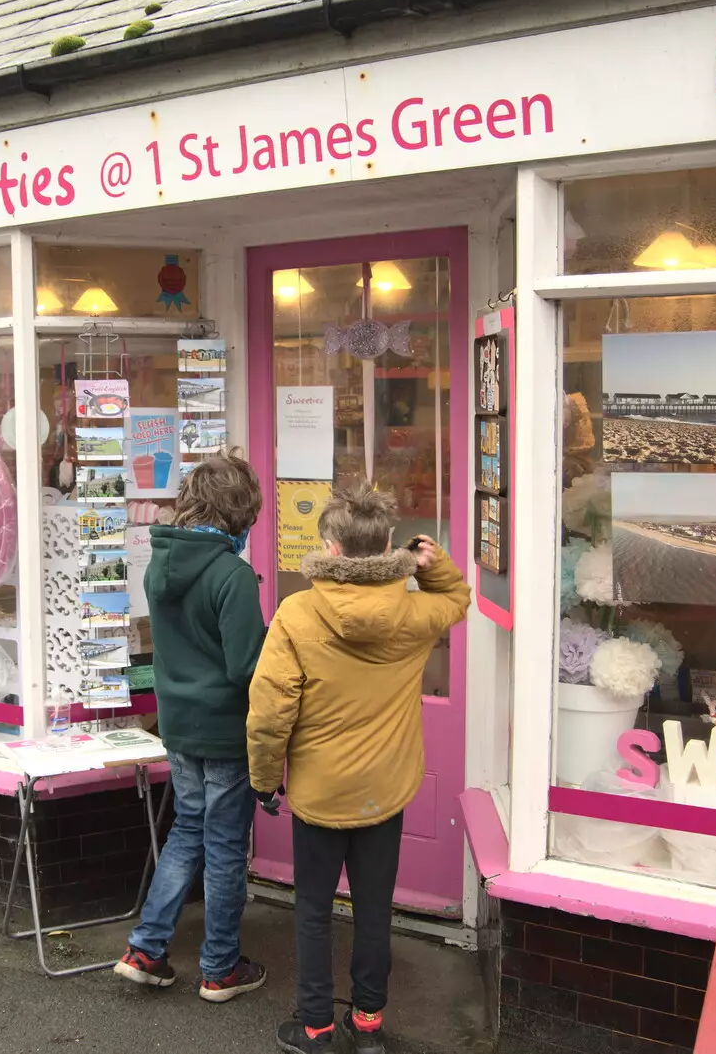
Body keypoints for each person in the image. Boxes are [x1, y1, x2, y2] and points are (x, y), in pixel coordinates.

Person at [248, 486, 471, 1054]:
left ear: (331, 546)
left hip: (320, 793)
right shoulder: (417, 612)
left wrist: (265, 777)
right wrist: (433, 562)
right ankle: (368, 1024)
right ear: (389, 543)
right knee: (374, 908)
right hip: (385, 790)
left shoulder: (297, 612)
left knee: (314, 910)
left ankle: (317, 1027)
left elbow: (271, 709)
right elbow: (458, 599)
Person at [114, 448, 269, 1002]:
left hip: (178, 725)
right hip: (226, 729)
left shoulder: (162, 562)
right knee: (225, 846)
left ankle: (146, 948)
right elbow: (248, 665)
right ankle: (220, 968)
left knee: (186, 831)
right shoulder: (230, 574)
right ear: (240, 512)